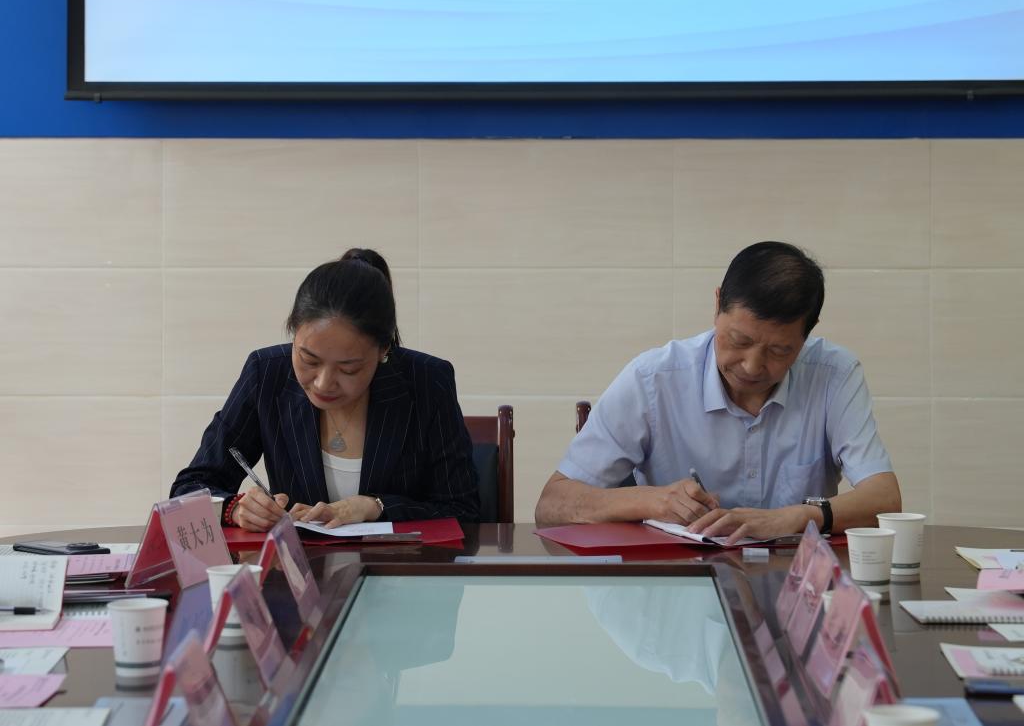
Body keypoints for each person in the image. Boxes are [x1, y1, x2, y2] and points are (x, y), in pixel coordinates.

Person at [535, 241, 900, 542]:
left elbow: (885, 499)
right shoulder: (653, 379)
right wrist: (651, 501)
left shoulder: (834, 375)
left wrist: (795, 517)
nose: (752, 366)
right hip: (677, 585)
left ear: (807, 334)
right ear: (717, 305)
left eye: (779, 351)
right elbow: (551, 505)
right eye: (739, 340)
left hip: (792, 585)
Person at [171, 248, 479, 531]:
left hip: (402, 569)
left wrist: (375, 507)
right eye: (309, 360)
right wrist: (235, 509)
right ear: (293, 331)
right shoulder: (266, 374)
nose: (323, 383)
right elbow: (189, 489)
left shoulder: (427, 381)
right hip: (301, 570)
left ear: (383, 350)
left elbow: (463, 510)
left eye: (348, 369)